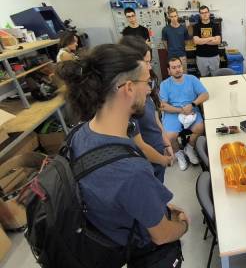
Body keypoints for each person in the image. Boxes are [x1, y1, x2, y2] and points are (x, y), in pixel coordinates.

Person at [56, 44, 188, 266]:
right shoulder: (132, 170)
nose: (149, 90)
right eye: (147, 82)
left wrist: (154, 208)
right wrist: (184, 224)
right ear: (128, 88)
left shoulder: (79, 135)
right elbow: (162, 234)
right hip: (131, 249)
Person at [119, 36, 174, 183]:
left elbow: (154, 115)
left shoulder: (145, 86)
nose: (150, 67)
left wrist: (166, 141)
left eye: (150, 62)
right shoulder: (128, 101)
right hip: (148, 161)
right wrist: (164, 160)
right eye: (146, 62)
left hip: (158, 149)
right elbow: (141, 146)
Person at [160, 57, 209, 170]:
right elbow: (163, 106)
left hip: (191, 109)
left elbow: (205, 94)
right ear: (169, 71)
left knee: (200, 127)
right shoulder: (165, 84)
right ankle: (179, 153)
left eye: (179, 66)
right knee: (169, 136)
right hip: (173, 112)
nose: (177, 70)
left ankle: (189, 147)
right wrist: (180, 110)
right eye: (174, 67)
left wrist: (192, 104)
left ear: (182, 67)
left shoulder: (192, 79)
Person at [192, 5, 222, 76]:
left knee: (215, 77)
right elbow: (196, 41)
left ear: (209, 13)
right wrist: (211, 38)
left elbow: (217, 41)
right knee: (204, 78)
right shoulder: (196, 26)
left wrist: (201, 41)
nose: (204, 14)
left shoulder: (215, 25)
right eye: (202, 13)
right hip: (201, 57)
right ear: (200, 15)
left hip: (214, 56)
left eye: (206, 12)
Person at [162, 7, 191, 72]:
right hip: (171, 57)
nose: (174, 18)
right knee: (173, 75)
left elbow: (186, 42)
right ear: (169, 17)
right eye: (171, 16)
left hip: (182, 56)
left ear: (177, 16)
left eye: (175, 16)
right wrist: (171, 50)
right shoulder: (165, 29)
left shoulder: (183, 28)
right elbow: (165, 43)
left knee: (184, 75)